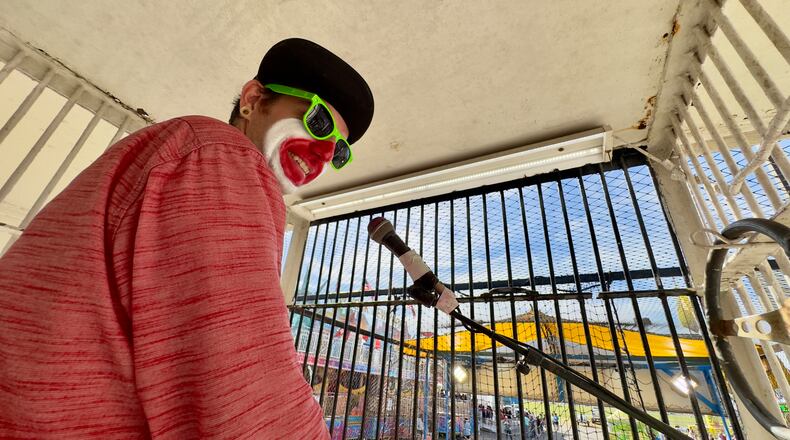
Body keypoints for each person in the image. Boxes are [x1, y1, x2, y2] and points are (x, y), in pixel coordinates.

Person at [0, 38, 374, 439]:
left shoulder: (185, 152)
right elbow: (244, 393)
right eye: (318, 123)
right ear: (252, 99)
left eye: (338, 151)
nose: (322, 154)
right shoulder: (220, 155)